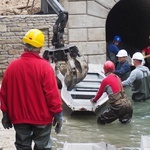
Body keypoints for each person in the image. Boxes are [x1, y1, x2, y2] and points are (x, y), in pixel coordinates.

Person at [0, 29, 63, 150]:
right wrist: (58, 113)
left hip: (19, 118)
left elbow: (4, 94)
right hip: (42, 119)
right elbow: (52, 95)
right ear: (39, 48)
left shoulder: (12, 67)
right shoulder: (45, 67)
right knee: (43, 147)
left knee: (22, 146)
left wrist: (5, 114)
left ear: (24, 46)